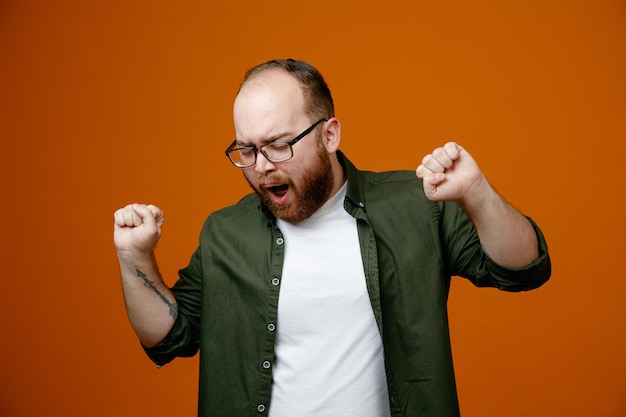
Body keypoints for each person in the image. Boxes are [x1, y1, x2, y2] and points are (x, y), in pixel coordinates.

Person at [113, 59, 551, 417]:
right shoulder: (225, 233)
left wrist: (476, 194)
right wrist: (134, 257)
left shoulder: (417, 205)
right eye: (246, 149)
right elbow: (168, 337)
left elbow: (524, 268)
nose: (262, 165)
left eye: (279, 144)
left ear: (329, 135)